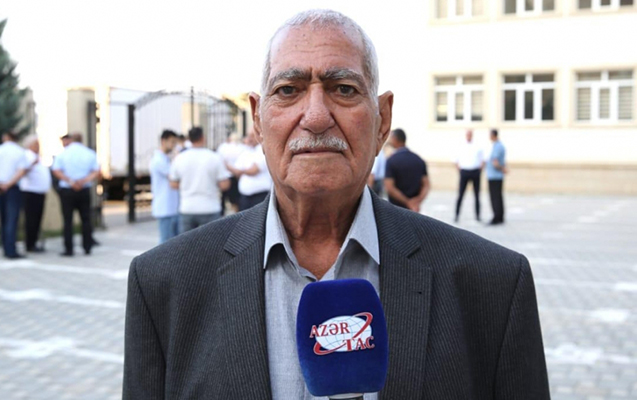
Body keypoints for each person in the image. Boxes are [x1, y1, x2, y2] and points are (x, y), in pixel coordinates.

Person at [123, 10, 549, 399]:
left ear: (382, 120)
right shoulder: (165, 284)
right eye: (288, 90)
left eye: (343, 89)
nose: (315, 117)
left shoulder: (491, 286)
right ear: (258, 118)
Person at [169, 127, 230, 233]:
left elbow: (173, 184)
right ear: (203, 138)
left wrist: (187, 185)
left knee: (187, 242)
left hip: (187, 208)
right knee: (211, 242)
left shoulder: (180, 158)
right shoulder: (214, 157)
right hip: (210, 207)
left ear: (189, 139)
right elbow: (224, 185)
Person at [52, 133, 100, 256]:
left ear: (71, 140)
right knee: (86, 219)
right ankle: (87, 247)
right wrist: (84, 181)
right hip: (84, 189)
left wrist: (71, 181)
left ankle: (69, 249)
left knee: (67, 220)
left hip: (68, 189)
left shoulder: (64, 154)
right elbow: (96, 171)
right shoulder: (89, 153)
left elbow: (56, 170)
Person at [383, 128, 430, 212]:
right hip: (414, 210)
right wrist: (417, 201)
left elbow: (389, 187)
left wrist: (407, 202)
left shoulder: (391, 161)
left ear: (395, 139)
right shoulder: (418, 160)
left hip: (396, 209)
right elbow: (426, 185)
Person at [19, 135, 52, 252]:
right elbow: (22, 171)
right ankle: (30, 244)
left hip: (39, 192)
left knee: (37, 219)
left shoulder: (37, 156)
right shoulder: (27, 156)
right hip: (30, 192)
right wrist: (32, 164)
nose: (38, 147)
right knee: (31, 219)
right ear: (29, 145)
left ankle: (34, 242)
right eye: (36, 144)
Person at [225, 129, 272, 211]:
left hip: (260, 196)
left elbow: (254, 170)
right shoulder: (245, 152)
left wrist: (234, 169)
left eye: (252, 136)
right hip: (245, 197)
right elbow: (237, 170)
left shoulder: (263, 151)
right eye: (248, 136)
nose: (250, 138)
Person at [0, 131, 28, 259]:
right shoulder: (20, 152)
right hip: (12, 189)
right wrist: (8, 184)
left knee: (4, 220)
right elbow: (21, 171)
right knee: (11, 220)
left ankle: (6, 248)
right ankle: (10, 250)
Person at [149, 130, 180, 243]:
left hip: (171, 207)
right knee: (165, 242)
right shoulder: (158, 160)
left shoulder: (165, 158)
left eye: (175, 142)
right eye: (172, 142)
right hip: (165, 207)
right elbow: (174, 175)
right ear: (163, 141)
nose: (174, 145)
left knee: (172, 241)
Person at [454, 129, 484, 223]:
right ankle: (457, 215)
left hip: (475, 171)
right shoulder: (461, 145)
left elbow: (482, 159)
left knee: (477, 195)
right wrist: (459, 170)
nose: (469, 136)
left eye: (470, 134)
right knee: (461, 194)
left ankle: (478, 215)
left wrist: (480, 169)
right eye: (468, 134)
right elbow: (455, 160)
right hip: (464, 171)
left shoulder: (478, 146)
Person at [217, 132, 245, 214]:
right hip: (236, 176)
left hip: (224, 176)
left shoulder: (223, 147)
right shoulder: (242, 148)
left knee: (223, 198)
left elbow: (219, 161)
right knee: (235, 200)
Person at [487, 129, 507, 225]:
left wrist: (502, 169)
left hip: (494, 176)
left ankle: (496, 217)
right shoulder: (498, 145)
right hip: (496, 176)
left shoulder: (497, 146)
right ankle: (500, 217)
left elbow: (495, 162)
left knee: (495, 198)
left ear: (493, 135)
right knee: (498, 197)